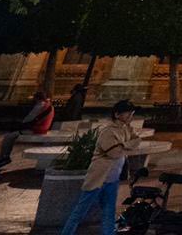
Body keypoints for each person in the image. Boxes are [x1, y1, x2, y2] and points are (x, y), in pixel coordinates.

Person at [59, 99, 138, 235]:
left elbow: (137, 140)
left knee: (109, 213)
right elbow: (114, 153)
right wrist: (127, 146)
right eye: (128, 113)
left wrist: (124, 145)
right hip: (98, 179)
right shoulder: (108, 131)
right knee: (80, 212)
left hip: (112, 180)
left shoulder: (126, 129)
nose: (131, 116)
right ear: (117, 114)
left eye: (132, 113)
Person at [0, 90, 55, 170]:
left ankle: (3, 157)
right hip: (42, 128)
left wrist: (21, 124)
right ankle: (3, 157)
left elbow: (28, 119)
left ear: (37, 98)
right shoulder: (49, 105)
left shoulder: (40, 105)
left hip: (37, 129)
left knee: (9, 137)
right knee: (12, 134)